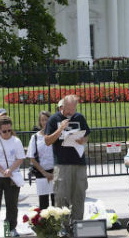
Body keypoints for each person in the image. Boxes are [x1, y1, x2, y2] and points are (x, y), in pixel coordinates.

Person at [45, 94, 90, 222]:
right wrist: (60, 129)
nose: (70, 113)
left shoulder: (79, 117)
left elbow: (87, 135)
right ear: (62, 106)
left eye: (73, 110)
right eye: (68, 110)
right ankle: (62, 227)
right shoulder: (54, 119)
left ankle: (77, 225)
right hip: (62, 164)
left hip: (79, 163)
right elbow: (47, 141)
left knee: (79, 196)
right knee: (61, 196)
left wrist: (83, 140)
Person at [0, 115, 25, 238]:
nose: (7, 133)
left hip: (11, 175)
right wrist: (2, 171)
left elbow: (20, 158)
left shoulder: (16, 141)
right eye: (4, 131)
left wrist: (10, 170)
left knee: (11, 204)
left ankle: (10, 229)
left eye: (9, 130)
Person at [26, 111, 55, 209]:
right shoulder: (35, 137)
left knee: (57, 202)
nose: (44, 122)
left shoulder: (55, 135)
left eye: (46, 120)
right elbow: (32, 157)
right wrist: (44, 173)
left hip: (55, 171)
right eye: (42, 120)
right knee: (43, 204)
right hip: (41, 172)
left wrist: (54, 172)